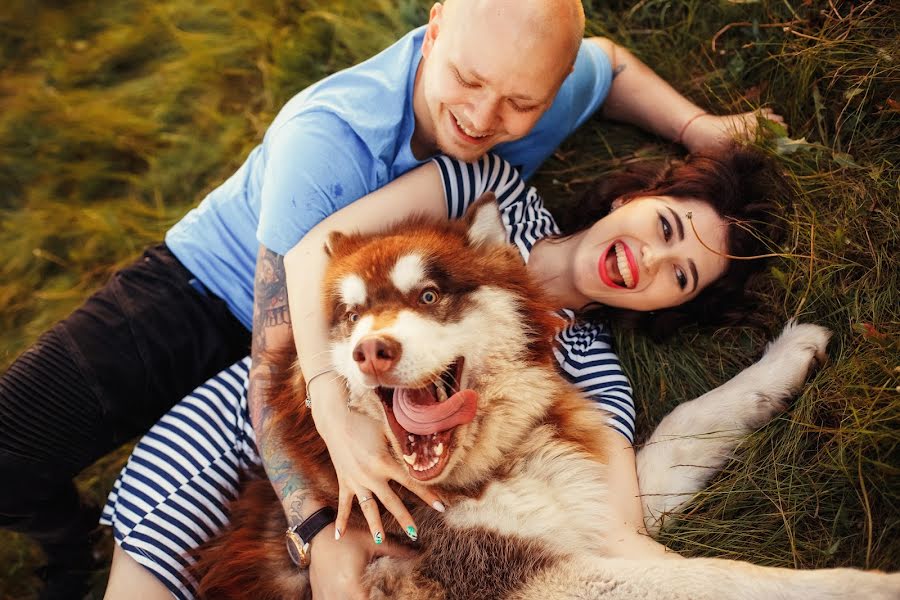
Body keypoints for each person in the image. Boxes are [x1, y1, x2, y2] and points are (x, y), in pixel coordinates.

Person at [0, 0, 782, 597]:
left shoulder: (529, 85)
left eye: (519, 104)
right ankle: (63, 539)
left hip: (353, 327)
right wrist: (329, 495)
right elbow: (276, 355)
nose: (483, 119)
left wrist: (701, 127)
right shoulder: (337, 135)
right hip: (211, 295)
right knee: (9, 452)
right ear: (434, 27)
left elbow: (605, 65)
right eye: (469, 84)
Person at [101, 144, 782, 599]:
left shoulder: (595, 374)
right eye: (664, 227)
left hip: (341, 499)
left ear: (675, 304)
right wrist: (331, 427)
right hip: (243, 420)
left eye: (681, 276)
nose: (651, 261)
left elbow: (619, 531)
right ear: (629, 197)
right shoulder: (492, 190)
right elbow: (308, 255)